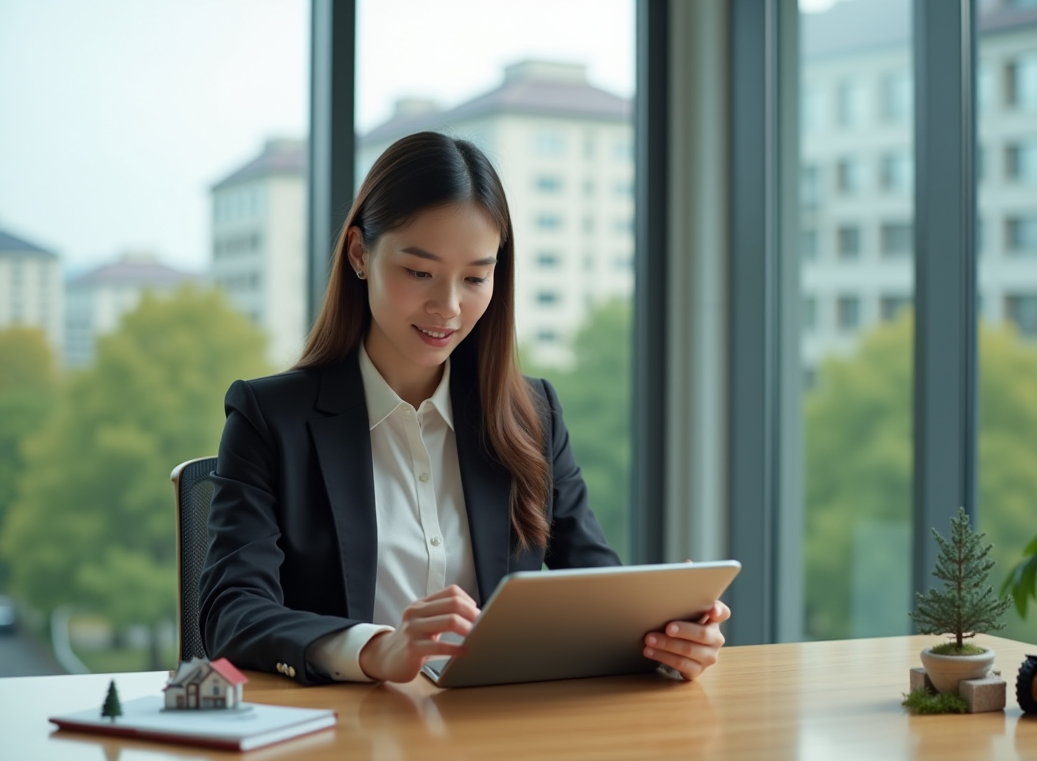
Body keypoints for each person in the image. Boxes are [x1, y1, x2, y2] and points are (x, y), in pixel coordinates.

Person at [199, 131, 731, 686]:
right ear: (360, 253)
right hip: (342, 740)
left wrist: (667, 638)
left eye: (476, 277)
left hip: (493, 741)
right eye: (419, 272)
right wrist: (375, 649)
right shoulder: (271, 418)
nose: (448, 307)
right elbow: (231, 613)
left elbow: (596, 587)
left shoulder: (532, 415)